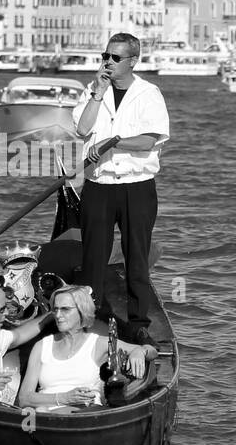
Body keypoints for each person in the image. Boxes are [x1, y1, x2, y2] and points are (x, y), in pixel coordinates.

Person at [72, 32, 169, 345]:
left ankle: (139, 323)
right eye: (105, 56)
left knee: (136, 259)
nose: (107, 62)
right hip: (99, 185)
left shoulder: (148, 93)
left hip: (136, 187)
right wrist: (97, 94)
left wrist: (113, 141)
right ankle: (91, 318)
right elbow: (82, 128)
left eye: (115, 58)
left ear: (132, 61)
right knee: (93, 259)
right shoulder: (93, 91)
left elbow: (149, 139)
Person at [18, 285, 157, 411]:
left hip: (85, 416)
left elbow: (151, 351)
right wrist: (64, 398)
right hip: (46, 417)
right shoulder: (42, 346)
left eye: (65, 309)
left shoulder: (98, 344)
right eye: (55, 309)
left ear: (82, 311)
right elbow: (24, 398)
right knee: (36, 412)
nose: (58, 315)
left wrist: (140, 351)